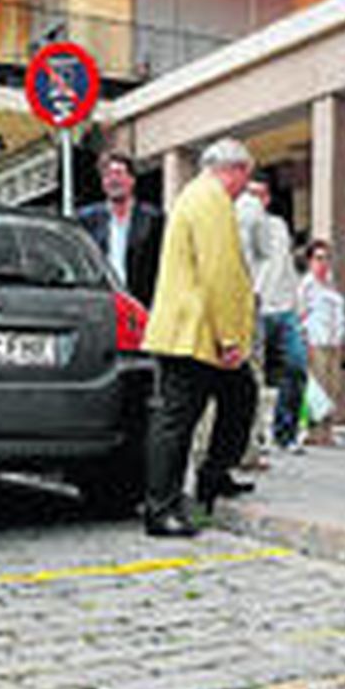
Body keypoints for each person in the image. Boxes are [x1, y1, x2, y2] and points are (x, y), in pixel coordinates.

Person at [141, 138, 257, 536]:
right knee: (177, 420)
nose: (245, 187)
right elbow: (218, 272)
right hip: (195, 332)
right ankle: (160, 508)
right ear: (234, 169)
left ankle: (213, 476)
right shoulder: (211, 199)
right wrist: (230, 337)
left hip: (196, 331)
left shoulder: (198, 195)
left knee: (240, 396)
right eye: (245, 177)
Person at [245, 178, 307, 453]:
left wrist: (298, 306)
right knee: (253, 376)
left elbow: (286, 266)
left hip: (284, 309)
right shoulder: (237, 226)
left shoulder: (279, 226)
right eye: (250, 194)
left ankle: (285, 433)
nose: (255, 200)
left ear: (268, 199)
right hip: (254, 310)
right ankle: (255, 436)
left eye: (259, 195)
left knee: (297, 367)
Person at [77, 151, 164, 307]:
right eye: (107, 175)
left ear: (132, 180)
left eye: (118, 173)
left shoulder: (153, 219)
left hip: (140, 304)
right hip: (103, 302)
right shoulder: (87, 220)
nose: (113, 180)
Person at [297, 237, 345, 440]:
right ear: (310, 261)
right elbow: (300, 315)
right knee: (317, 387)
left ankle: (327, 431)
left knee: (332, 386)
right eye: (318, 258)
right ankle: (312, 431)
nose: (323, 263)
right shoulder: (307, 285)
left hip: (333, 341)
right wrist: (304, 341)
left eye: (326, 258)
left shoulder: (331, 283)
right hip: (315, 341)